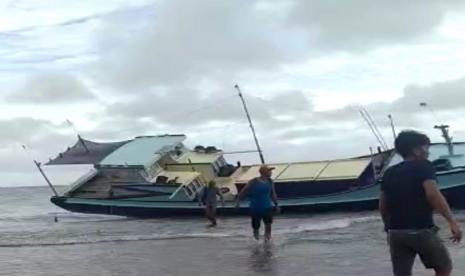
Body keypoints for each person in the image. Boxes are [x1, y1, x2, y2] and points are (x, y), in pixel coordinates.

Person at [379, 130, 462, 276]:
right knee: (444, 267)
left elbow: (383, 205)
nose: (428, 152)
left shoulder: (389, 173)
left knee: (401, 273)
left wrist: (388, 229)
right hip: (421, 230)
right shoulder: (424, 165)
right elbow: (433, 194)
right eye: (426, 148)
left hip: (396, 233)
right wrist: (451, 221)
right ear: (416, 150)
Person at [235, 164, 279, 241]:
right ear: (264, 172)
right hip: (255, 208)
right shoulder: (253, 182)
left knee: (268, 226)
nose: (271, 173)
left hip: (267, 207)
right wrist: (238, 202)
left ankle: (267, 243)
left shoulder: (270, 181)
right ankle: (256, 244)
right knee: (256, 228)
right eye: (269, 171)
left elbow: (273, 194)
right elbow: (243, 192)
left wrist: (276, 204)